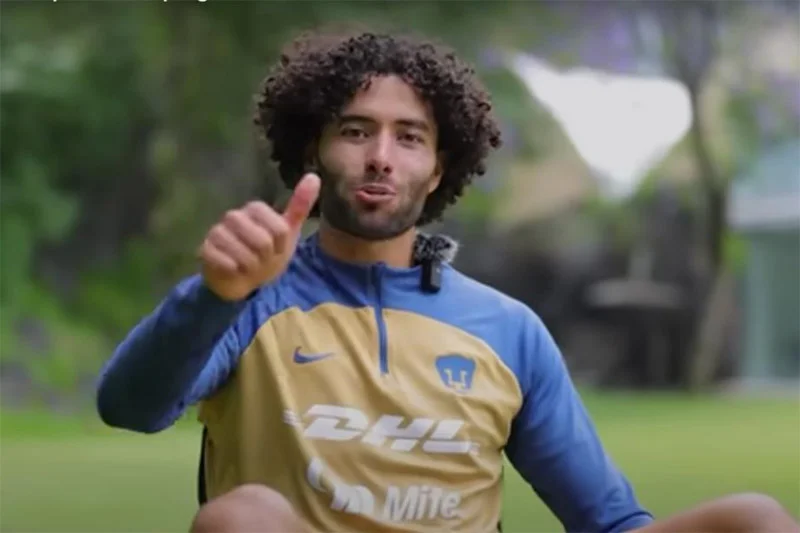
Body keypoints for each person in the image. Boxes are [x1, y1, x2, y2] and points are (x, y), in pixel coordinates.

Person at [96, 28, 799, 533]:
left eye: (409, 137)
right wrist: (216, 294)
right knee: (241, 516)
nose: (381, 156)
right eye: (355, 131)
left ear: (438, 169)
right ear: (313, 147)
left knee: (756, 519)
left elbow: (609, 521)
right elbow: (130, 406)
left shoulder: (508, 329)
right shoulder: (251, 302)